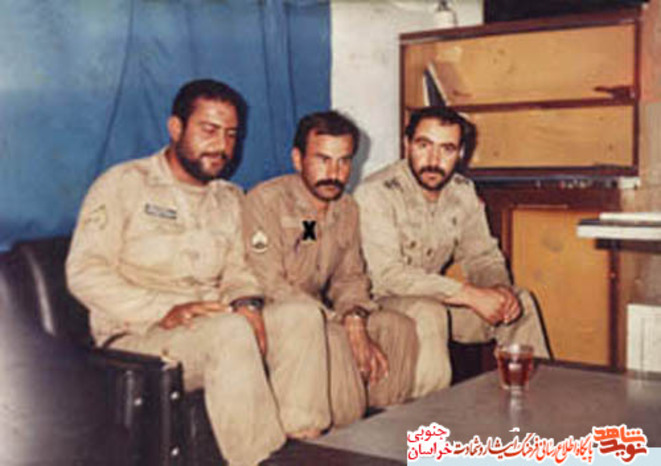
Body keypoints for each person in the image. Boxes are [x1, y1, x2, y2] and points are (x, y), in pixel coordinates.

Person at [66, 79, 328, 466]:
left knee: (301, 316)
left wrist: (248, 303)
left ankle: (304, 447)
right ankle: (259, 460)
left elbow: (241, 267)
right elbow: (84, 272)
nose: (221, 145)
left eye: (231, 134)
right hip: (137, 335)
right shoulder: (124, 184)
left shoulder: (230, 198)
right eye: (209, 130)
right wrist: (163, 309)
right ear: (176, 128)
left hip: (213, 322)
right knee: (230, 330)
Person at [354, 106, 551, 398]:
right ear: (407, 144)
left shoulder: (462, 191)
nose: (433, 161)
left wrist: (498, 289)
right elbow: (388, 276)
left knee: (519, 303)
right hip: (380, 302)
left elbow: (482, 256)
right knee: (428, 312)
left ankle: (533, 403)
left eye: (446, 149)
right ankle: (427, 417)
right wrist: (470, 295)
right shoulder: (376, 193)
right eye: (424, 146)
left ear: (460, 154)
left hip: (437, 296)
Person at [242, 111, 417, 428]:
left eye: (343, 161)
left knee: (397, 327)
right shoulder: (266, 201)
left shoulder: (346, 208)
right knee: (336, 340)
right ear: (298, 159)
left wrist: (354, 316)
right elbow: (270, 284)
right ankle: (341, 433)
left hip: (322, 310)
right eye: (323, 160)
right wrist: (340, 321)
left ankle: (385, 426)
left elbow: (350, 277)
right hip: (278, 314)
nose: (334, 173)